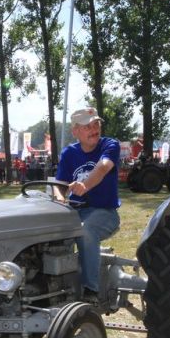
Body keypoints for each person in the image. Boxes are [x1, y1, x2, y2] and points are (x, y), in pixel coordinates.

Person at [55, 107, 120, 301]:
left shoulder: (110, 145)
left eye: (96, 124)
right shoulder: (68, 153)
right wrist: (59, 199)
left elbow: (103, 168)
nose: (94, 129)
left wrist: (85, 185)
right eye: (87, 126)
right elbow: (60, 185)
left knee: (86, 231)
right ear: (75, 131)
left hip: (104, 212)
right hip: (74, 212)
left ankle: (90, 290)